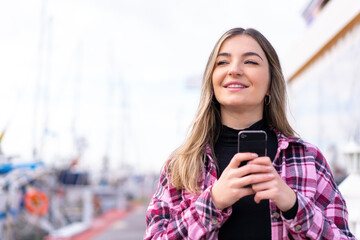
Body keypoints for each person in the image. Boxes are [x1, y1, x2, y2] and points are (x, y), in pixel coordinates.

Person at [144, 27, 356, 239]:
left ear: (271, 85)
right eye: (223, 62)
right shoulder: (180, 165)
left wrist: (293, 205)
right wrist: (213, 202)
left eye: (251, 62)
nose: (234, 70)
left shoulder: (308, 159)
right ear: (212, 80)